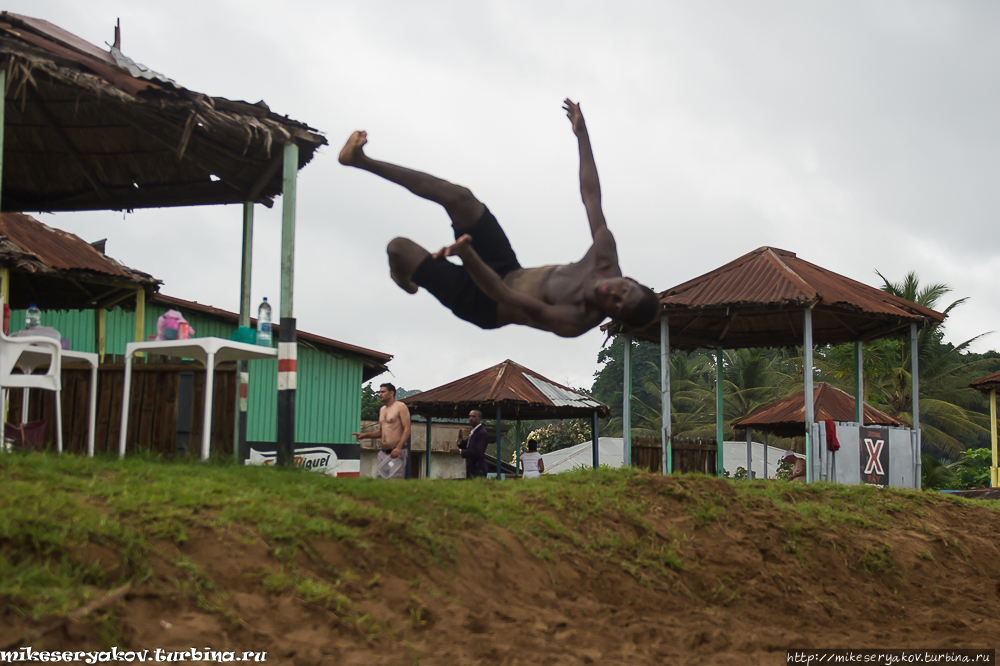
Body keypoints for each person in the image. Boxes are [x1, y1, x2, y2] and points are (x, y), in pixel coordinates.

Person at [338, 99, 660, 338]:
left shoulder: (574, 320)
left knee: (398, 248)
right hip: (507, 268)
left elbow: (504, 296)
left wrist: (467, 254)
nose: (613, 294)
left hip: (484, 303)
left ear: (611, 315)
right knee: (460, 197)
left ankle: (404, 277)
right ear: (628, 281)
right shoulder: (605, 255)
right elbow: (590, 194)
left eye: (617, 305)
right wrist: (582, 135)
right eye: (624, 291)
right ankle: (360, 160)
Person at [352, 383, 411, 479]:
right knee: (381, 479)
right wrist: (364, 435)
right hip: (383, 451)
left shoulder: (400, 406)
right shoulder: (382, 409)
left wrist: (398, 448)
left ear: (391, 393)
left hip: (397, 451)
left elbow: (407, 429)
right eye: (379, 392)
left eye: (383, 392)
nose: (380, 394)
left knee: (394, 480)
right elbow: (381, 432)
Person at [450, 409, 488, 478]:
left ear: (480, 418)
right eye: (470, 416)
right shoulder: (473, 431)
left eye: (474, 416)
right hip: (471, 468)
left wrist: (460, 451)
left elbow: (478, 452)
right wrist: (460, 438)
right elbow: (466, 445)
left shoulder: (482, 433)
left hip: (478, 468)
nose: (471, 419)